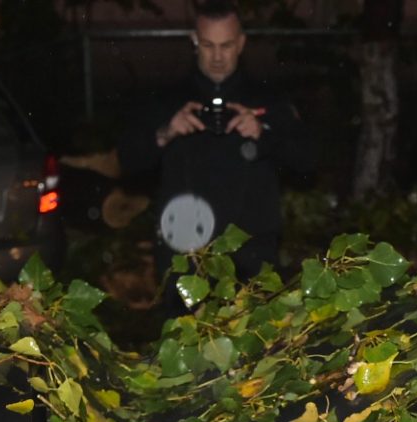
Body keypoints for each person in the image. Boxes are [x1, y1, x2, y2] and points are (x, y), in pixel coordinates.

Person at [118, 1, 314, 284]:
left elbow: (307, 161)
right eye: (209, 46)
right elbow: (127, 161)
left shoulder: (268, 100)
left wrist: (264, 134)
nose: (218, 57)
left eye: (227, 45)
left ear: (242, 43)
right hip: (185, 254)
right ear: (195, 42)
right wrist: (165, 133)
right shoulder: (167, 101)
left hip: (251, 255)